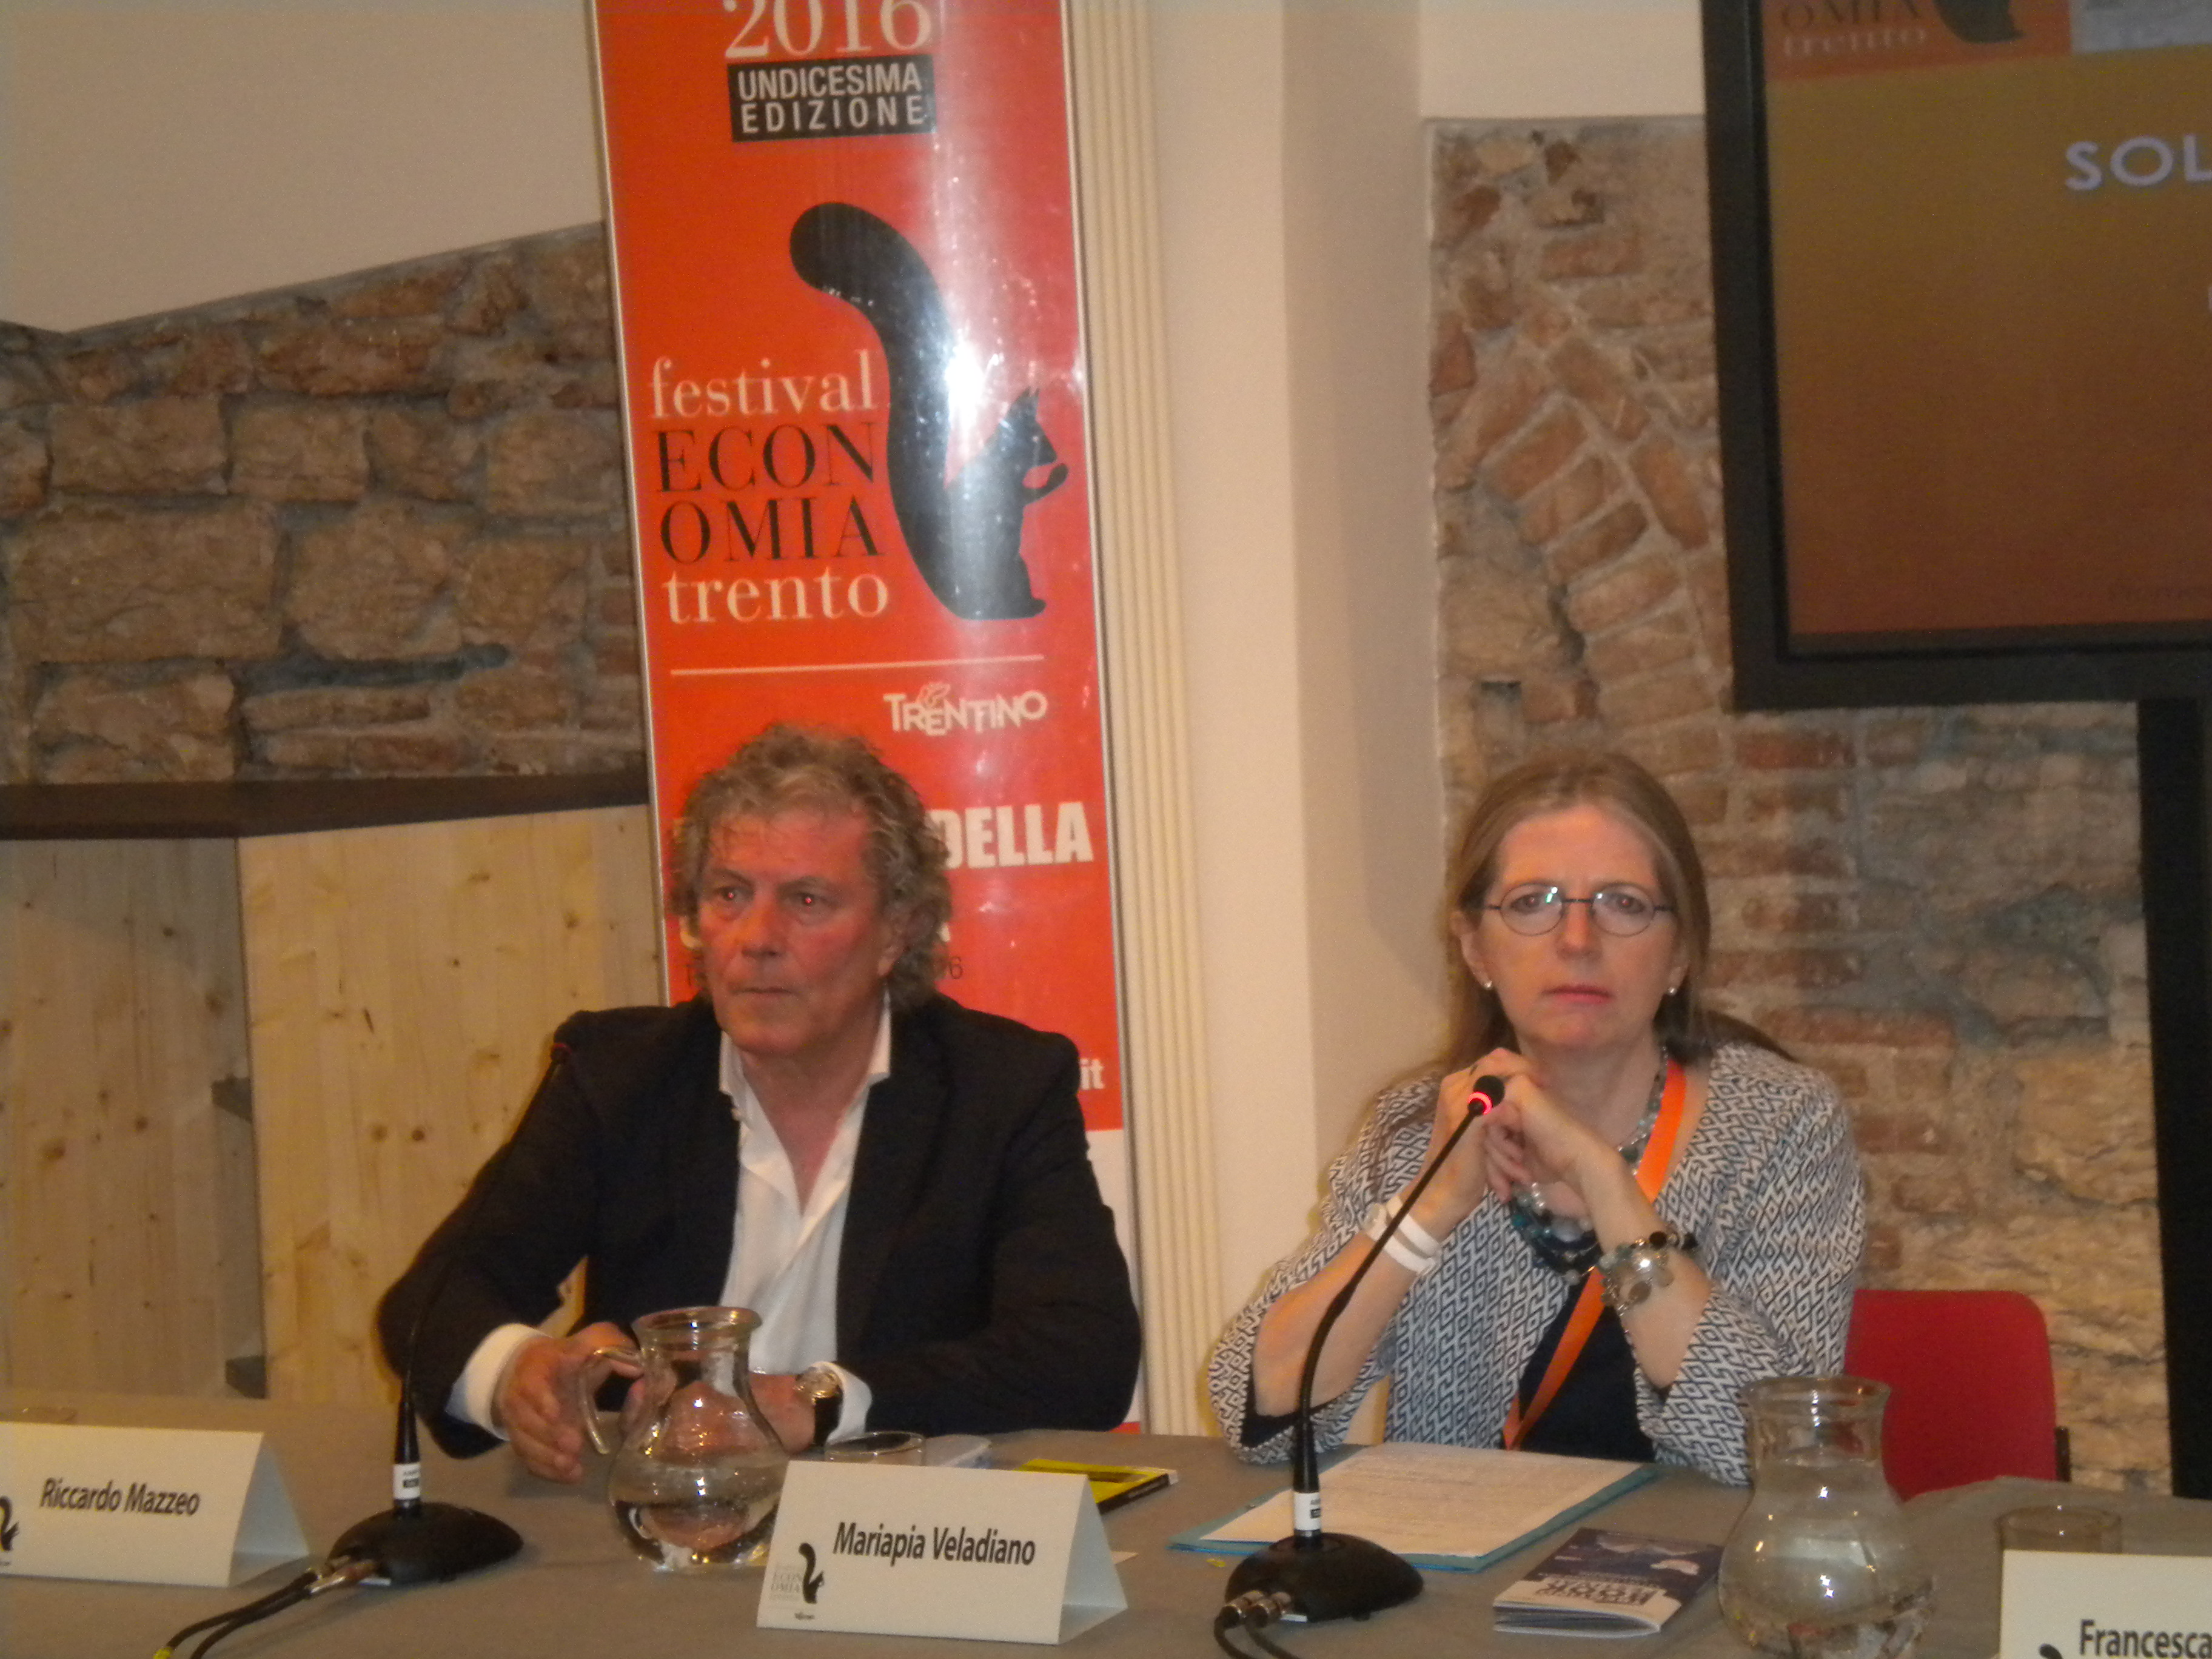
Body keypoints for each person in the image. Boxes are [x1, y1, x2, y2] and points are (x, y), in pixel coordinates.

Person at [379, 724, 1141, 1481]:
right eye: (729, 894)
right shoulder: (620, 1076)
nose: (757, 937)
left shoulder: (996, 1088)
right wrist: (516, 1371)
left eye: (807, 900)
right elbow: (432, 1303)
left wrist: (822, 1402)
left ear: (896, 933)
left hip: (891, 1521)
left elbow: (1084, 1353)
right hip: (664, 1511)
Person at [1207, 750, 1863, 1485]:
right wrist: (1430, 1205)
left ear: (1679, 953)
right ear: (1475, 948)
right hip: (1468, 1549)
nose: (1577, 941)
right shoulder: (1416, 1127)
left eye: (1623, 904)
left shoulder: (1778, 1123)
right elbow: (1258, 1411)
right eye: (1532, 903)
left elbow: (1785, 1452)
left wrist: (1603, 1180)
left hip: (1703, 1552)